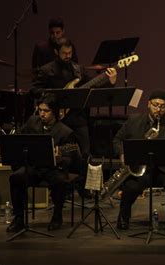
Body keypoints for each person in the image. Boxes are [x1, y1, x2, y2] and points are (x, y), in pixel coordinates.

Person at [31, 37, 117, 194]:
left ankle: (84, 189)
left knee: (84, 153)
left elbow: (93, 86)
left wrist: (110, 81)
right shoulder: (46, 70)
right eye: (64, 53)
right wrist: (55, 97)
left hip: (78, 118)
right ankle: (61, 189)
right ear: (57, 52)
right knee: (60, 153)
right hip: (57, 120)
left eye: (70, 53)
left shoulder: (79, 69)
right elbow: (34, 90)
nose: (68, 56)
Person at [6, 93, 80, 232]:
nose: (42, 114)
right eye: (40, 110)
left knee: (59, 181)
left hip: (53, 169)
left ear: (55, 112)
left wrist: (59, 158)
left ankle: (57, 216)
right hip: (34, 167)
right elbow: (19, 139)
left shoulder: (65, 132)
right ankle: (19, 218)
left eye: (46, 111)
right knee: (15, 177)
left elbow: (70, 159)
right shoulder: (32, 122)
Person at [113, 90, 165, 233]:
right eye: (155, 105)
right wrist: (122, 154)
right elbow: (117, 140)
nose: (158, 109)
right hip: (140, 169)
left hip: (163, 170)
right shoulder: (133, 121)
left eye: (163, 106)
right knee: (131, 186)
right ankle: (123, 217)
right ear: (148, 104)